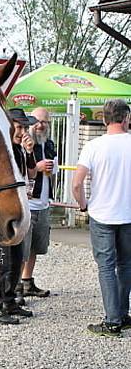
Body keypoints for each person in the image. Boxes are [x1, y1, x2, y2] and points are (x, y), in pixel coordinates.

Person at [72, 99, 131, 337]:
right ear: (126, 117)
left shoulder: (93, 146)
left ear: (105, 119)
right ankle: (122, 312)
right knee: (126, 265)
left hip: (102, 214)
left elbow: (76, 184)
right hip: (128, 215)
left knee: (106, 267)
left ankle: (112, 321)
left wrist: (83, 205)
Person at [0, 109, 37, 325]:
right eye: (19, 127)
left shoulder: (17, 150)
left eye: (24, 128)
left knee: (17, 258)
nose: (22, 132)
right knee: (0, 260)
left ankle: (9, 300)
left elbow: (32, 173)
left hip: (18, 209)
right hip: (1, 213)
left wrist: (29, 152)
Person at [18, 107, 57, 298]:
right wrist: (37, 166)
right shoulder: (22, 145)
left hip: (43, 203)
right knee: (21, 249)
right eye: (38, 121)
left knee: (35, 247)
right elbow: (18, 172)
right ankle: (14, 288)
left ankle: (27, 281)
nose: (41, 125)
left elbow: (54, 168)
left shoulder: (48, 144)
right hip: (27, 203)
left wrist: (50, 167)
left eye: (45, 122)